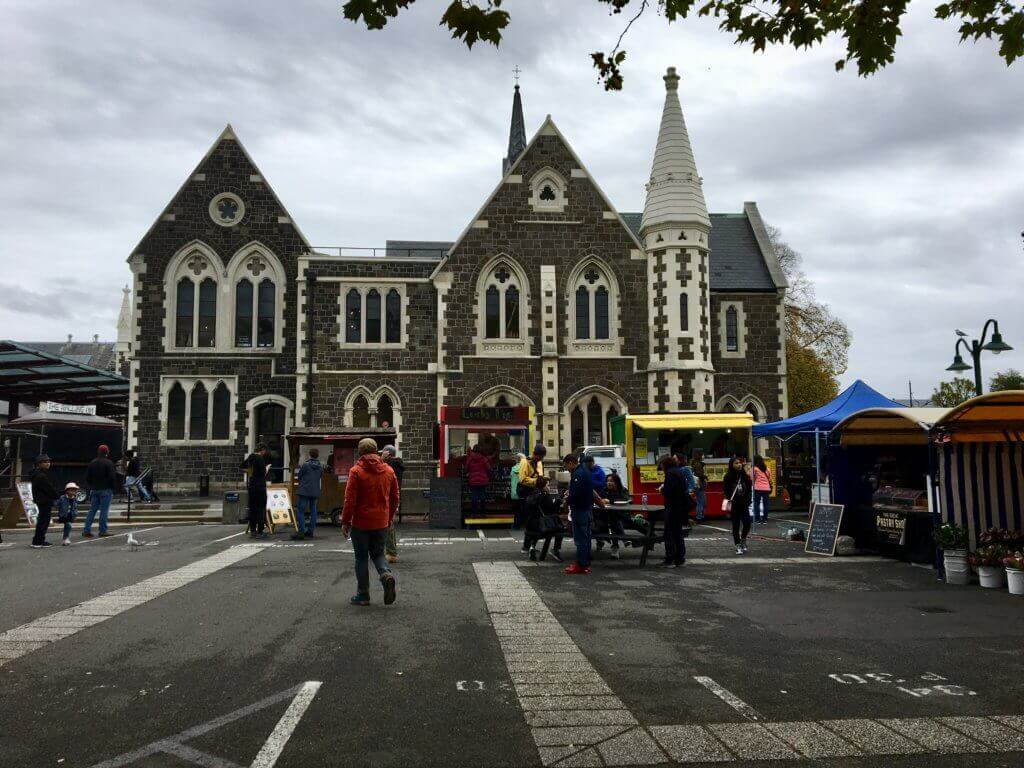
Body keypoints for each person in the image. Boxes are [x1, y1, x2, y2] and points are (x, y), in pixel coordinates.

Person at [341, 438, 399, 606]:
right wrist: (389, 517)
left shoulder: (356, 471)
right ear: (376, 451)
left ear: (360, 452)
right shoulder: (388, 470)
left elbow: (349, 500)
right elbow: (395, 497)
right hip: (381, 521)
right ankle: (385, 574)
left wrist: (345, 521)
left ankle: (363, 594)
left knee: (361, 558)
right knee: (378, 554)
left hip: (361, 522)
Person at [562, 453, 605, 575]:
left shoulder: (577, 474)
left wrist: (566, 502)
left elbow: (575, 494)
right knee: (586, 537)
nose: (567, 469)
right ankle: (585, 563)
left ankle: (580, 565)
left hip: (579, 509)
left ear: (571, 462)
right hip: (587, 508)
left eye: (566, 466)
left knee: (580, 538)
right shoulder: (585, 471)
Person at [661, 456, 694, 567]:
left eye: (661, 465)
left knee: (669, 533)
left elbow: (669, 491)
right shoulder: (679, 472)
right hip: (680, 507)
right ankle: (680, 558)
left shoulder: (670, 474)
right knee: (678, 533)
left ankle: (670, 558)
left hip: (673, 507)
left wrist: (662, 489)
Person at [523, 476, 564, 562]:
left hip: (530, 524)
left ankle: (532, 547)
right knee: (560, 529)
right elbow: (552, 510)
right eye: (548, 485)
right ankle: (556, 550)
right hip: (541, 525)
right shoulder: (545, 496)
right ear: (544, 486)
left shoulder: (532, 494)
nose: (549, 488)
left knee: (537, 532)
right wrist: (559, 500)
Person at [83, 444, 118, 538]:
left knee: (92, 510)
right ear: (107, 452)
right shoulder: (109, 463)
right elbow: (112, 477)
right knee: (104, 511)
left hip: (94, 489)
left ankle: (86, 530)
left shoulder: (92, 462)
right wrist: (113, 487)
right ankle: (102, 530)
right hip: (106, 489)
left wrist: (92, 486)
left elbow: (87, 478)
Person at [515, 444, 546, 549]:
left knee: (537, 520)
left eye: (542, 457)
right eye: (540, 457)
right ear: (535, 454)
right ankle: (526, 546)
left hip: (536, 494)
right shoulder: (525, 462)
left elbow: (540, 476)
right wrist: (536, 481)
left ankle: (533, 545)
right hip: (527, 494)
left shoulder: (540, 463)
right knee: (530, 520)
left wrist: (544, 481)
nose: (541, 459)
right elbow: (522, 479)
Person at [723, 456, 753, 554]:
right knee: (735, 526)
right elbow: (726, 491)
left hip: (744, 504)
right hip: (734, 505)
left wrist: (748, 500)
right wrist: (729, 502)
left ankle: (743, 539)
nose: (739, 464)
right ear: (731, 465)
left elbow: (749, 488)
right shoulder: (728, 477)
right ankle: (738, 545)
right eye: (736, 463)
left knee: (747, 523)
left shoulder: (744, 475)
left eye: (739, 462)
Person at [292, 448, 323, 540]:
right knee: (313, 511)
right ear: (317, 455)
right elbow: (320, 476)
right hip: (315, 491)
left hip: (304, 490)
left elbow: (300, 476)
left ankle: (301, 532)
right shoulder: (320, 466)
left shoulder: (305, 465)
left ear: (309, 455)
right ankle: (310, 531)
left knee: (301, 511)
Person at [381, 445, 404, 563]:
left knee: (387, 524)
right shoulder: (399, 464)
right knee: (390, 524)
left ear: (388, 454)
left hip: (387, 497)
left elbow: (379, 469)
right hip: (394, 496)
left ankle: (391, 552)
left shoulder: (389, 465)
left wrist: (382, 459)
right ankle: (391, 551)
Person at [30, 454, 59, 548]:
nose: (48, 463)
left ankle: (37, 540)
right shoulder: (41, 476)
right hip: (44, 500)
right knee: (44, 521)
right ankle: (38, 541)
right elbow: (49, 489)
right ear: (39, 464)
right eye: (45, 462)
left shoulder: (36, 474)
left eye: (49, 461)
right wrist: (56, 496)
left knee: (42, 521)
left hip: (40, 500)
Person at [242, 444, 271, 538]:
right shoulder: (260, 458)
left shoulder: (251, 457)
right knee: (261, 508)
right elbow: (263, 473)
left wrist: (251, 473)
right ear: (262, 450)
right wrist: (267, 468)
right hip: (260, 486)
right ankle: (260, 531)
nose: (265, 453)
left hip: (251, 486)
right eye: (265, 451)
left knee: (252, 508)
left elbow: (242, 466)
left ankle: (253, 530)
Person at [465, 444, 492, 518]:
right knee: (482, 496)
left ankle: (474, 513)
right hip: (483, 480)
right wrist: (488, 476)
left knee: (474, 497)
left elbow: (466, 468)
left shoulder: (470, 458)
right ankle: (483, 513)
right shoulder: (484, 459)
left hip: (473, 480)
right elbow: (489, 469)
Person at [752, 455, 772, 525]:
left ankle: (757, 519)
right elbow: (770, 479)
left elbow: (752, 478)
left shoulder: (754, 469)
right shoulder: (767, 469)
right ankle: (765, 519)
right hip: (766, 489)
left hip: (757, 488)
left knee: (756, 504)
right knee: (766, 504)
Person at [691, 451, 708, 521]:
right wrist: (705, 477)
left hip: (699, 485)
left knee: (702, 501)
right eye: (703, 455)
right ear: (700, 456)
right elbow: (699, 474)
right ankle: (699, 517)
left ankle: (701, 516)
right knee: (700, 502)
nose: (704, 456)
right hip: (699, 485)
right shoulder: (698, 464)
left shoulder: (697, 464)